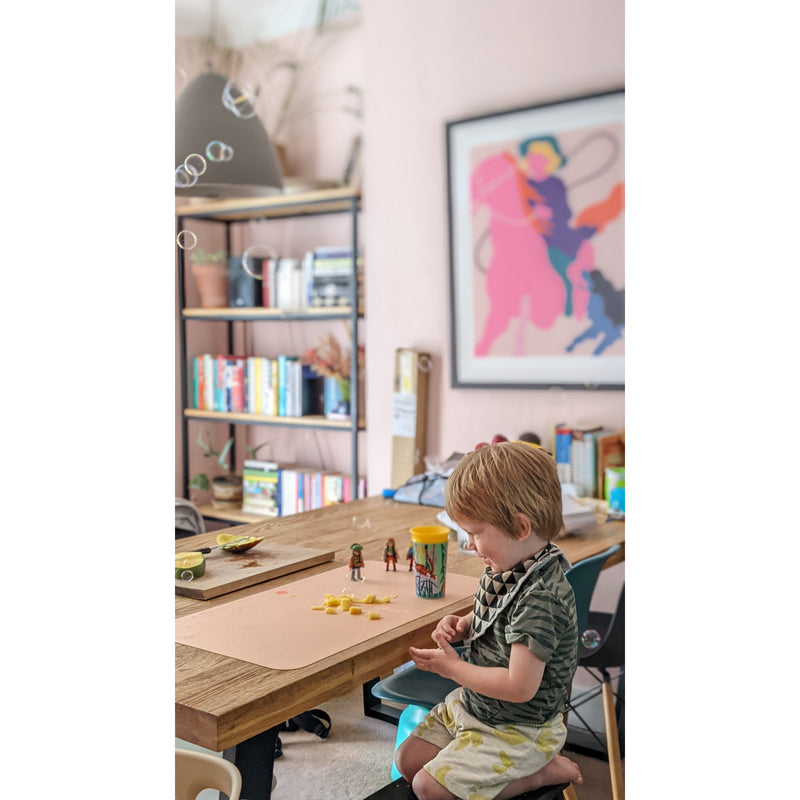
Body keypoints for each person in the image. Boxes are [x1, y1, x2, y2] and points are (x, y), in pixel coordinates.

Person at [394, 441, 583, 800]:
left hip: (519, 728)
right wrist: (466, 623)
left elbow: (518, 687)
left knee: (427, 787)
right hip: (478, 707)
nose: (469, 544)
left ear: (520, 527)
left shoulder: (541, 598)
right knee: (408, 760)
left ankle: (536, 774)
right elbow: (500, 615)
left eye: (476, 533)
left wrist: (453, 669)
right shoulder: (510, 565)